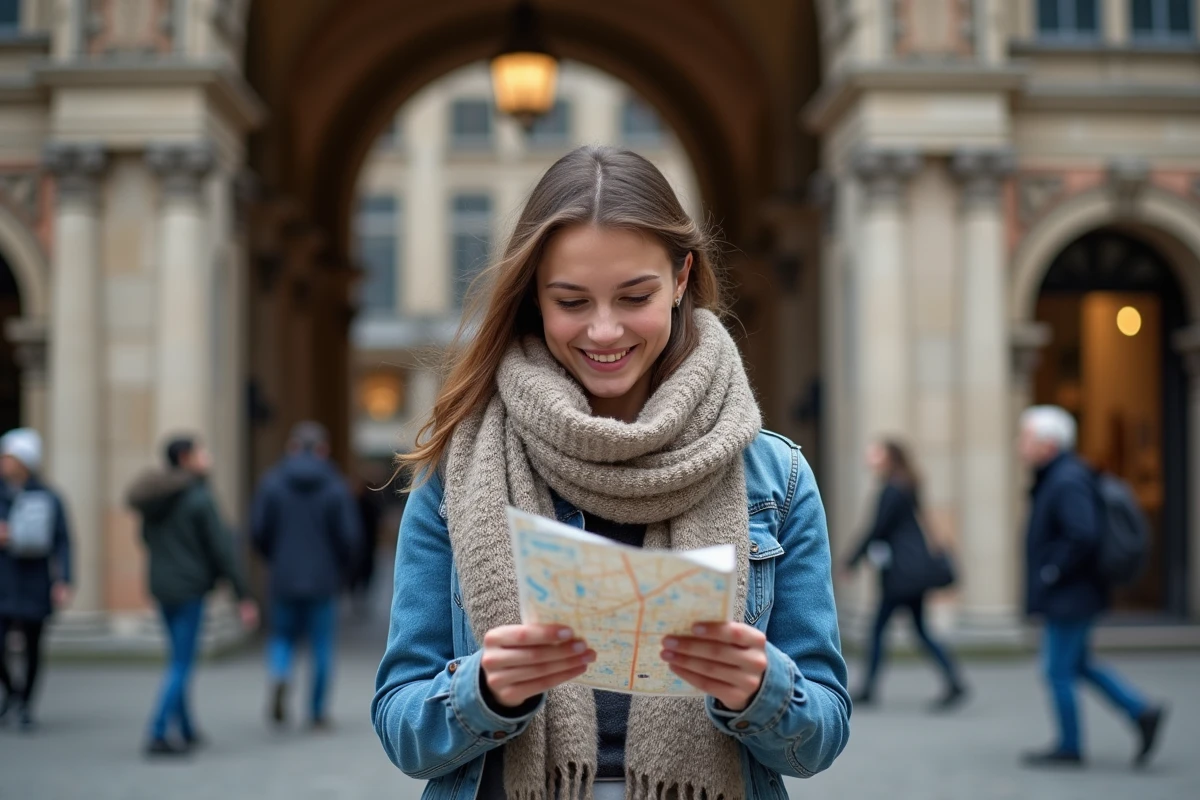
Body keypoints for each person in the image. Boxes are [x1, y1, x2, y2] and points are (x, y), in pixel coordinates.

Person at [371, 146, 850, 800]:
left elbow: (822, 736)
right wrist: (483, 692)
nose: (603, 330)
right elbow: (401, 727)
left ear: (682, 279)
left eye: (634, 296)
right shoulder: (456, 474)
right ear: (534, 296)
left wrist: (761, 688)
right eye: (571, 300)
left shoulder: (776, 477)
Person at [1018, 406, 1167, 768]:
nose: (1019, 445)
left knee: (1057, 670)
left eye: (1025, 438)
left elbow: (1083, 534)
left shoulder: (1065, 479)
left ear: (1048, 444)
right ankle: (1141, 711)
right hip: (1075, 592)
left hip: (1072, 594)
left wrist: (1052, 570)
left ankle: (1070, 746)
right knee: (1078, 664)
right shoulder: (1061, 475)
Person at [126, 435, 259, 757]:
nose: (208, 456)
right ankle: (158, 731)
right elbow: (222, 547)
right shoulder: (197, 496)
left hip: (162, 586)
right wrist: (243, 594)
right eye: (202, 452)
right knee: (182, 663)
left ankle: (185, 727)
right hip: (189, 589)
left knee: (178, 658)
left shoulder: (155, 498)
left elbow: (145, 538)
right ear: (186, 458)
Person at [251, 421, 360, 731]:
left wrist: (275, 558)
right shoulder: (335, 485)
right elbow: (350, 538)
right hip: (323, 579)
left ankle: (281, 673)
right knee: (322, 645)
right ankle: (316, 712)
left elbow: (258, 532)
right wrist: (341, 569)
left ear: (293, 447)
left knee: (282, 637)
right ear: (323, 450)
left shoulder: (271, 483)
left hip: (283, 577)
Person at [843, 440, 966, 710]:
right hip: (909, 571)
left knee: (878, 630)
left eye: (875, 453)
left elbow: (875, 529)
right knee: (919, 631)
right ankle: (954, 681)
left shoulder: (892, 489)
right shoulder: (904, 484)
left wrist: (850, 562)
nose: (869, 458)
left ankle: (869, 688)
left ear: (889, 457)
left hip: (901, 573)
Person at [0, 428, 72, 732]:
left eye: (8, 457)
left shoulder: (48, 496)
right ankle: (13, 692)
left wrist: (64, 579)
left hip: (33, 579)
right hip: (3, 578)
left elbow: (63, 540)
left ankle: (26, 704)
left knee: (32, 646)